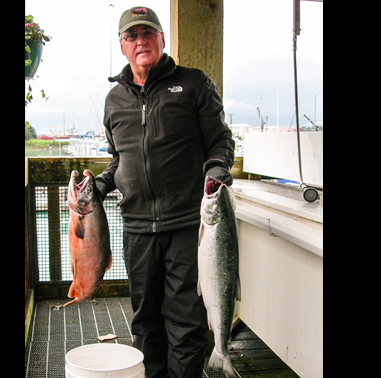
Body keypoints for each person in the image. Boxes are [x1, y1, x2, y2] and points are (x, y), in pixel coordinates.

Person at [94, 6, 235, 378]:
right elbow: (119, 160)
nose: (141, 41)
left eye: (147, 33)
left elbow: (220, 140)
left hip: (189, 227)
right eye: (132, 36)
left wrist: (217, 168)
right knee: (145, 323)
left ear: (162, 38)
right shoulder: (114, 100)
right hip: (137, 229)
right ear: (122, 46)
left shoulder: (193, 84)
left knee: (186, 323)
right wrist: (100, 185)